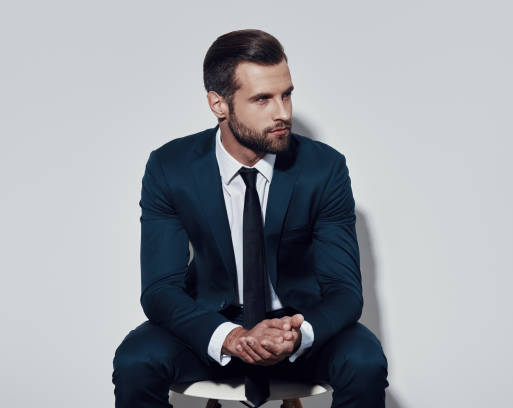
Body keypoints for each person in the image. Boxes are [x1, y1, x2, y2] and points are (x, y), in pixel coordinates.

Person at [112, 28, 388, 408]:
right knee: (136, 361)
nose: (283, 113)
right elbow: (160, 289)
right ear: (219, 104)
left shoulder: (324, 169)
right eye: (262, 99)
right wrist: (230, 336)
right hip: (210, 326)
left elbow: (345, 291)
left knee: (365, 362)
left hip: (295, 330)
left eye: (286, 94)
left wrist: (298, 334)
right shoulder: (170, 168)